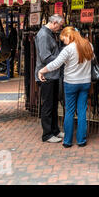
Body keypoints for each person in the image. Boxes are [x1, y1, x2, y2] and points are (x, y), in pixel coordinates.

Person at [38, 26, 94, 148]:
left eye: (64, 39)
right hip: (85, 82)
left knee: (69, 111)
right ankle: (81, 140)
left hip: (71, 83)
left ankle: (68, 141)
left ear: (69, 36)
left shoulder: (68, 49)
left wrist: (41, 71)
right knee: (82, 111)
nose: (64, 42)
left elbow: (55, 64)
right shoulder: (89, 45)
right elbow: (92, 58)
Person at [35, 14, 65, 143]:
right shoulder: (43, 35)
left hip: (52, 74)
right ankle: (47, 134)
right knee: (48, 105)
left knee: (53, 104)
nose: (60, 28)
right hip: (47, 76)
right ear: (54, 23)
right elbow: (45, 57)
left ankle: (55, 130)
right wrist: (61, 59)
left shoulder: (49, 34)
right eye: (60, 25)